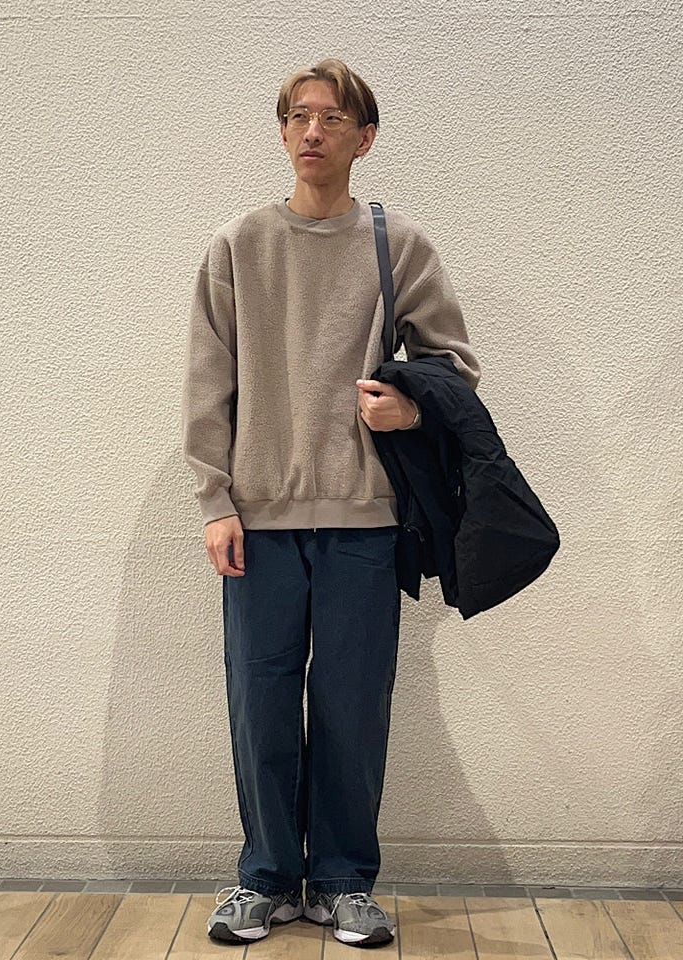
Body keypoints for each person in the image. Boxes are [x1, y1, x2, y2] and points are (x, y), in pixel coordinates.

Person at [181, 57, 481, 948]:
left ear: (365, 137)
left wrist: (409, 408)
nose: (312, 131)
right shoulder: (238, 244)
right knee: (260, 703)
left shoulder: (399, 246)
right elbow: (207, 384)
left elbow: (454, 366)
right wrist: (214, 500)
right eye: (297, 116)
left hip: (365, 518)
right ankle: (267, 879)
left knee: (353, 705)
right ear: (282, 132)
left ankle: (345, 880)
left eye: (332, 117)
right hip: (258, 520)